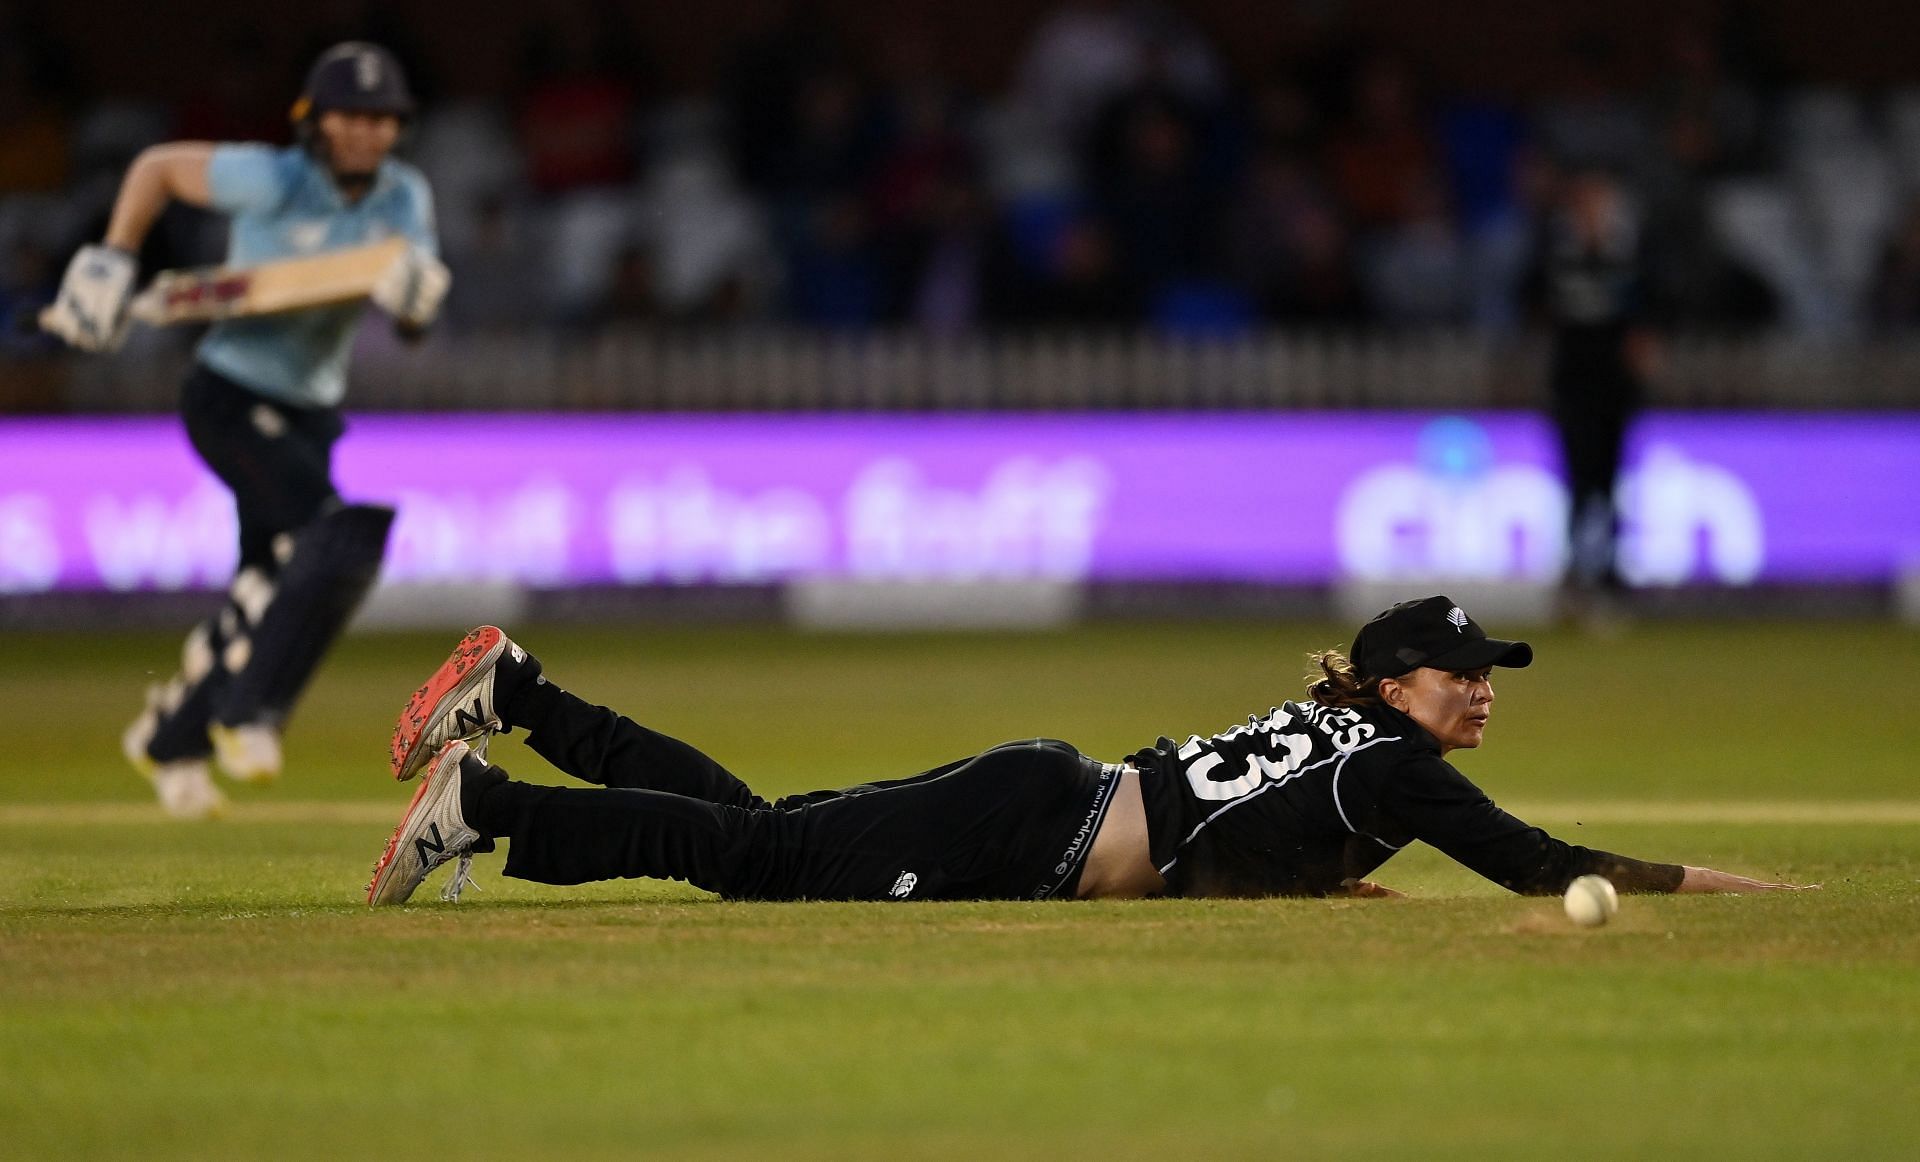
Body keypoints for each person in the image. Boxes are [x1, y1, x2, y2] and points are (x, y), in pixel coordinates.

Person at [366, 599, 1808, 905]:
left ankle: (524, 696)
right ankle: (487, 800)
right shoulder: (1396, 766)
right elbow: (1541, 865)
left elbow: (1258, 840)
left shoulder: (1361, 738)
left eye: (1489, 678)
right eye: (1461, 675)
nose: (1481, 694)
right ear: (1387, 682)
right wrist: (1743, 894)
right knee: (755, 856)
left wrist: (1317, 888)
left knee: (760, 822)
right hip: (1034, 823)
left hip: (1048, 803)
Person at [41, 43, 449, 819]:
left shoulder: (403, 196)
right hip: (229, 395)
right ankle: (248, 715)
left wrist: (414, 302)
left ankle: (172, 739)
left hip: (309, 414)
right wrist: (111, 260)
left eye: (381, 119)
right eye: (349, 115)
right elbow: (156, 167)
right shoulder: (274, 177)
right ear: (315, 120)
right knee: (334, 540)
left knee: (269, 587)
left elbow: (411, 319)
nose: (365, 132)